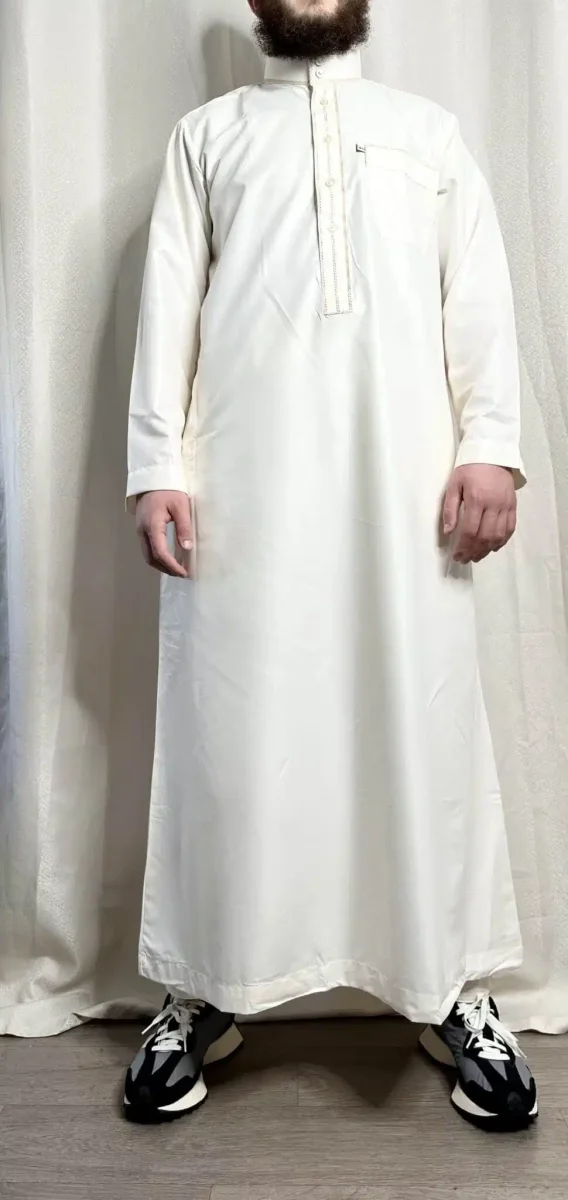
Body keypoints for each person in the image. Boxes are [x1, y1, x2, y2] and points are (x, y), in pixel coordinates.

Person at [124, 0, 537, 1131]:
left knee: (421, 726)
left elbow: (477, 300)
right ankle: (204, 984)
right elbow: (169, 306)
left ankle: (448, 984)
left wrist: (491, 447)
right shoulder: (208, 137)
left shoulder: (427, 134)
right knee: (230, 730)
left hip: (407, 497)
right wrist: (156, 465)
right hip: (242, 492)